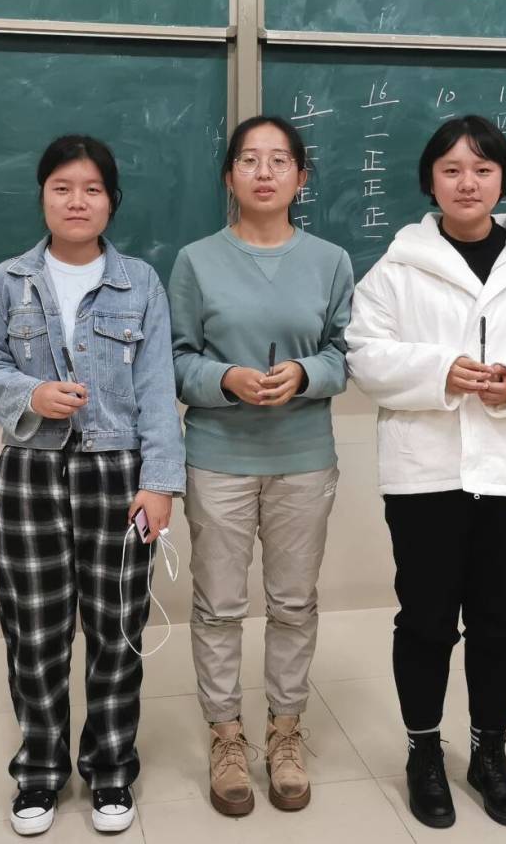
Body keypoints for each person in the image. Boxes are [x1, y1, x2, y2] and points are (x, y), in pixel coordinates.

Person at [345, 115, 506, 830]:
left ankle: (490, 752)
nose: (468, 182)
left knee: (500, 621)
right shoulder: (397, 268)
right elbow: (365, 354)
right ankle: (424, 751)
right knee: (426, 620)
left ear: (503, 179)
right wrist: (440, 371)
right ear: (430, 180)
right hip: (425, 474)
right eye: (452, 169)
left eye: (483, 169)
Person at [0, 135, 184, 836]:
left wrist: (160, 483)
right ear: (43, 197)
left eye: (91, 188)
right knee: (35, 630)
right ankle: (39, 771)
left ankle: (111, 768)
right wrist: (29, 394)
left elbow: (158, 389)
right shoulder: (7, 283)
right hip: (32, 473)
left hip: (119, 476)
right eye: (62, 187)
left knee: (118, 629)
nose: (77, 201)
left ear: (112, 200)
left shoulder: (140, 283)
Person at [167, 116, 354, 816]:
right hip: (218, 456)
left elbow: (347, 353)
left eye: (280, 160)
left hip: (303, 457)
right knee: (218, 605)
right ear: (230, 176)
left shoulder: (330, 260)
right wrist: (225, 380)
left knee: (294, 602)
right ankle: (225, 734)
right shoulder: (196, 261)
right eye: (249, 159)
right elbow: (175, 359)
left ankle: (285, 729)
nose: (265, 172)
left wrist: (305, 374)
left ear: (301, 177)